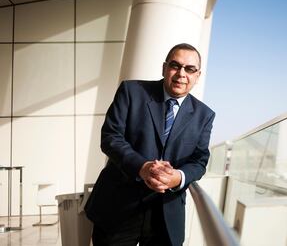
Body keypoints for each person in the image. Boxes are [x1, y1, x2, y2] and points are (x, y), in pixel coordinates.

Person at [84, 43, 215, 246]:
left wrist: (178, 178)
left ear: (198, 75)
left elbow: (199, 160)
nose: (181, 73)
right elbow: (111, 136)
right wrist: (142, 167)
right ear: (164, 68)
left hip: (165, 215)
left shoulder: (204, 115)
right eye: (175, 65)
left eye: (189, 69)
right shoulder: (131, 91)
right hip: (118, 207)